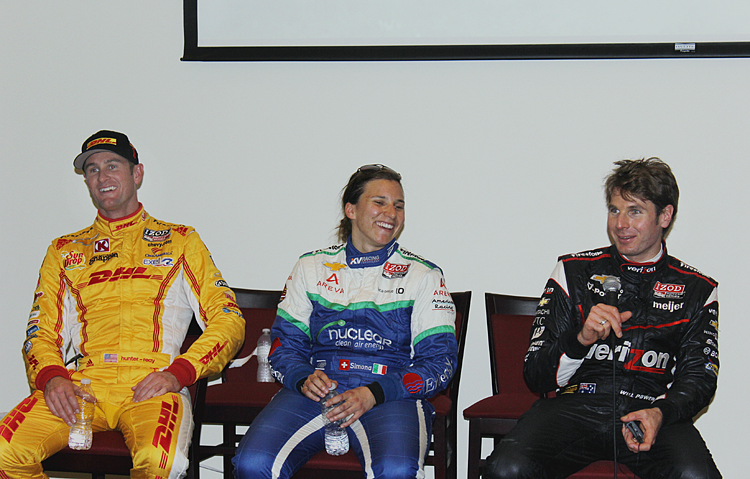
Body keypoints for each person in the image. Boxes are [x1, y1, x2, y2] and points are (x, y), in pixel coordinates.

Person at [0, 130, 246, 479]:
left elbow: (229, 319)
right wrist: (52, 378)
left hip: (151, 384)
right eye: (93, 170)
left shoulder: (181, 241)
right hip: (84, 385)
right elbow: (39, 331)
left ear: (137, 174)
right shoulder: (64, 250)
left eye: (113, 165)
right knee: (4, 452)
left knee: (161, 462)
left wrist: (180, 373)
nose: (102, 177)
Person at [485, 158, 721, 479]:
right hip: (576, 408)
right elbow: (535, 375)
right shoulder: (573, 271)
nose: (620, 223)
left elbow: (700, 379)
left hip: (650, 411)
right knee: (505, 469)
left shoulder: (698, 288)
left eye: (634, 211)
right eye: (614, 210)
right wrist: (580, 339)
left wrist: (659, 413)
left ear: (665, 216)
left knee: (696, 475)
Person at [233, 164, 458, 479]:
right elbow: (284, 347)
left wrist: (373, 394)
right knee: (252, 463)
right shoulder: (311, 267)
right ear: (350, 209)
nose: (391, 213)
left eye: (399, 205)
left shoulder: (424, 275)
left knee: (395, 471)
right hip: (317, 389)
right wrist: (301, 377)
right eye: (379, 202)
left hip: (389, 394)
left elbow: (439, 364)